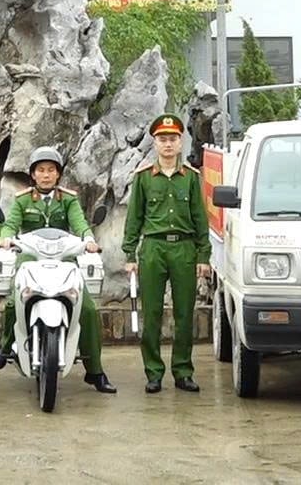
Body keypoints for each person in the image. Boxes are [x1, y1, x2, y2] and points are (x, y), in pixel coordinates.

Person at [0, 146, 116, 394]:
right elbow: (10, 224)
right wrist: (6, 238)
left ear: (58, 174)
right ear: (33, 175)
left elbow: (79, 223)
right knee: (11, 301)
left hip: (64, 258)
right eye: (41, 170)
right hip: (29, 257)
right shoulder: (23, 199)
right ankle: (5, 347)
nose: (46, 175)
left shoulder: (68, 200)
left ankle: (95, 371)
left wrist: (88, 239)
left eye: (51, 170)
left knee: (88, 308)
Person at [123, 114, 211, 394]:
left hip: (184, 248)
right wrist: (129, 255)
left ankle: (183, 371)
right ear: (155, 143)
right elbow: (134, 217)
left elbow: (200, 219)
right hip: (153, 249)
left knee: (185, 313)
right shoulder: (144, 178)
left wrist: (203, 257)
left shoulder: (191, 179)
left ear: (180, 142)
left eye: (173, 139)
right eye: (163, 139)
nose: (168, 144)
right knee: (152, 314)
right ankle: (153, 372)